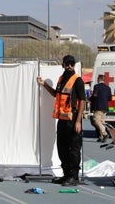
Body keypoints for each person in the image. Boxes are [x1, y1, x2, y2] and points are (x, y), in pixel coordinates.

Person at [37, 55, 85, 186]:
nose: (69, 66)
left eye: (71, 64)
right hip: (62, 121)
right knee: (62, 148)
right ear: (63, 65)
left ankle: (74, 177)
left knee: (73, 149)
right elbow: (55, 94)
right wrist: (44, 84)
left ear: (74, 65)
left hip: (73, 120)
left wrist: (78, 121)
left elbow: (82, 101)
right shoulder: (61, 79)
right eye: (67, 63)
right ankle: (66, 175)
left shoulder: (78, 80)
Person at [90, 74, 112, 142]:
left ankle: (104, 133)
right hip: (105, 107)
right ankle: (101, 137)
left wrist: (90, 98)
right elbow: (110, 98)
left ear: (99, 79)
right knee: (102, 122)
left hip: (98, 107)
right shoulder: (108, 88)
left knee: (95, 120)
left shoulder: (96, 86)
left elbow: (95, 95)